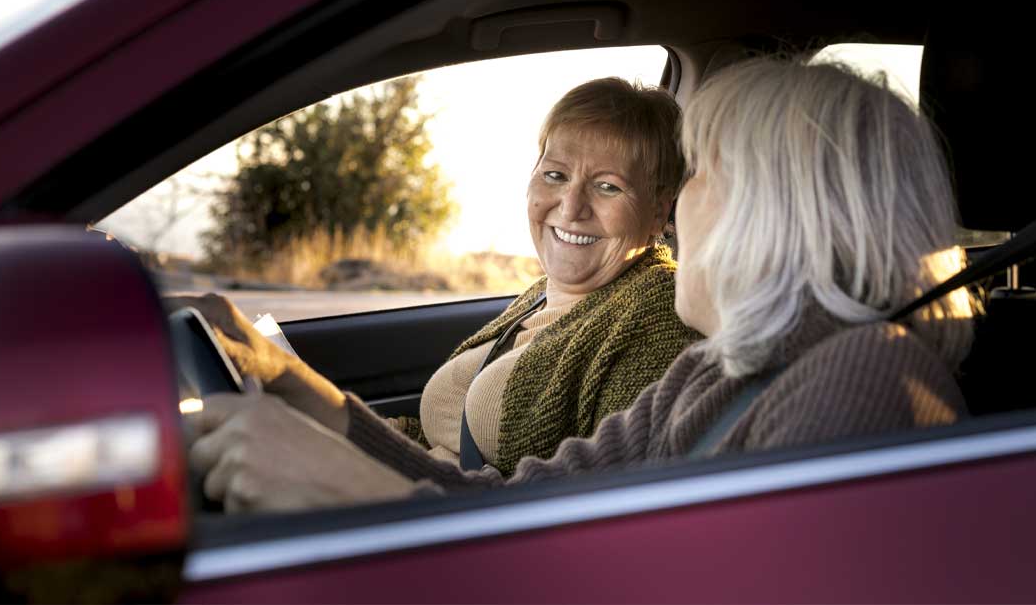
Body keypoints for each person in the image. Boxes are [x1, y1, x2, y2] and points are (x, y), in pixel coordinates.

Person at [187, 56, 978, 510]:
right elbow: (524, 506)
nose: (676, 215)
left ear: (780, 212)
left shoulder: (866, 385)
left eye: (698, 177)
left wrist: (357, 499)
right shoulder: (724, 372)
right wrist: (290, 382)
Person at [170, 77, 700, 499]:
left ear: (659, 209)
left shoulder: (655, 316)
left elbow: (567, 515)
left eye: (608, 186)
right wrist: (285, 379)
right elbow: (430, 447)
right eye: (556, 175)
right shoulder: (542, 294)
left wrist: (339, 480)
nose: (571, 206)